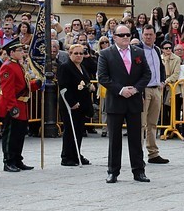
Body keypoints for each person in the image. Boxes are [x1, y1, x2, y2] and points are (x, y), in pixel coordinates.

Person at [97, 24, 151, 184]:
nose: (126, 37)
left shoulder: (138, 52)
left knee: (136, 138)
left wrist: (136, 89)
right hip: (116, 100)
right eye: (122, 35)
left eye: (128, 34)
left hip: (134, 100)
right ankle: (113, 171)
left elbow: (146, 74)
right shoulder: (106, 54)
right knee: (114, 139)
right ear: (114, 37)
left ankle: (139, 171)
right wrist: (120, 90)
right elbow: (103, 77)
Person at [0, 40, 41, 172]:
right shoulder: (8, 66)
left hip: (22, 104)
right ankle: (8, 160)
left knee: (19, 134)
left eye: (22, 50)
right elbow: (8, 90)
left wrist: (37, 84)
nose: (22, 53)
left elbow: (23, 86)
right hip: (13, 105)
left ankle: (17, 159)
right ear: (11, 53)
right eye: (19, 51)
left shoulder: (19, 65)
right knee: (10, 135)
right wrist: (12, 107)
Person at [58, 43, 95, 166]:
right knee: (70, 130)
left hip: (82, 104)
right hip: (71, 104)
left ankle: (76, 153)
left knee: (79, 130)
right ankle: (67, 156)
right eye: (76, 53)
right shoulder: (65, 67)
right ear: (70, 54)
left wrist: (90, 86)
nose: (79, 56)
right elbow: (63, 87)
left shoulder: (82, 67)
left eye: (81, 53)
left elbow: (85, 81)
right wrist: (71, 103)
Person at [140, 25, 169, 164]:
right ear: (142, 35)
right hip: (144, 89)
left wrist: (162, 80)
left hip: (156, 89)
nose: (148, 37)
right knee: (141, 123)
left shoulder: (157, 50)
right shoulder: (137, 50)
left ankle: (153, 153)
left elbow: (160, 67)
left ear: (154, 36)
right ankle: (138, 154)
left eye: (150, 34)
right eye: (146, 34)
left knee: (153, 123)